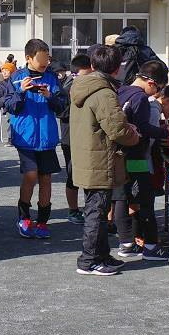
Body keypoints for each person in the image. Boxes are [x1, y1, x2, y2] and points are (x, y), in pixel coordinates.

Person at [70, 44, 140, 276]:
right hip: (100, 159)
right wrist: (134, 135)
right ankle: (89, 260)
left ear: (92, 65)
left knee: (97, 211)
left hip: (88, 156)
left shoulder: (83, 86)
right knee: (97, 213)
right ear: (117, 68)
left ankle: (100, 255)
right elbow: (117, 129)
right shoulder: (104, 93)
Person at [0, 38, 67, 239]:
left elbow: (62, 106)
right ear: (28, 58)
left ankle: (42, 220)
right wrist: (21, 91)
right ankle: (24, 216)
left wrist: (49, 95)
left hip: (47, 137)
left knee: (46, 178)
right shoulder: (16, 78)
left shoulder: (52, 78)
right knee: (31, 175)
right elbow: (7, 104)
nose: (45, 63)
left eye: (47, 59)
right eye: (41, 59)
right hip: (25, 136)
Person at [115, 59, 169, 263]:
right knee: (145, 200)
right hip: (137, 155)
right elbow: (144, 128)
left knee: (121, 198)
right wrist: (165, 132)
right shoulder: (140, 98)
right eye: (159, 88)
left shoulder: (121, 91)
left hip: (119, 156)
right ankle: (151, 246)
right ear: (152, 83)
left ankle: (125, 243)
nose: (157, 93)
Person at [58, 52, 92, 225]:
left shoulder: (91, 85)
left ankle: (90, 209)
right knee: (73, 175)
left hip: (86, 137)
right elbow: (61, 112)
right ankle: (73, 210)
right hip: (70, 138)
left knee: (89, 176)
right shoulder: (67, 88)